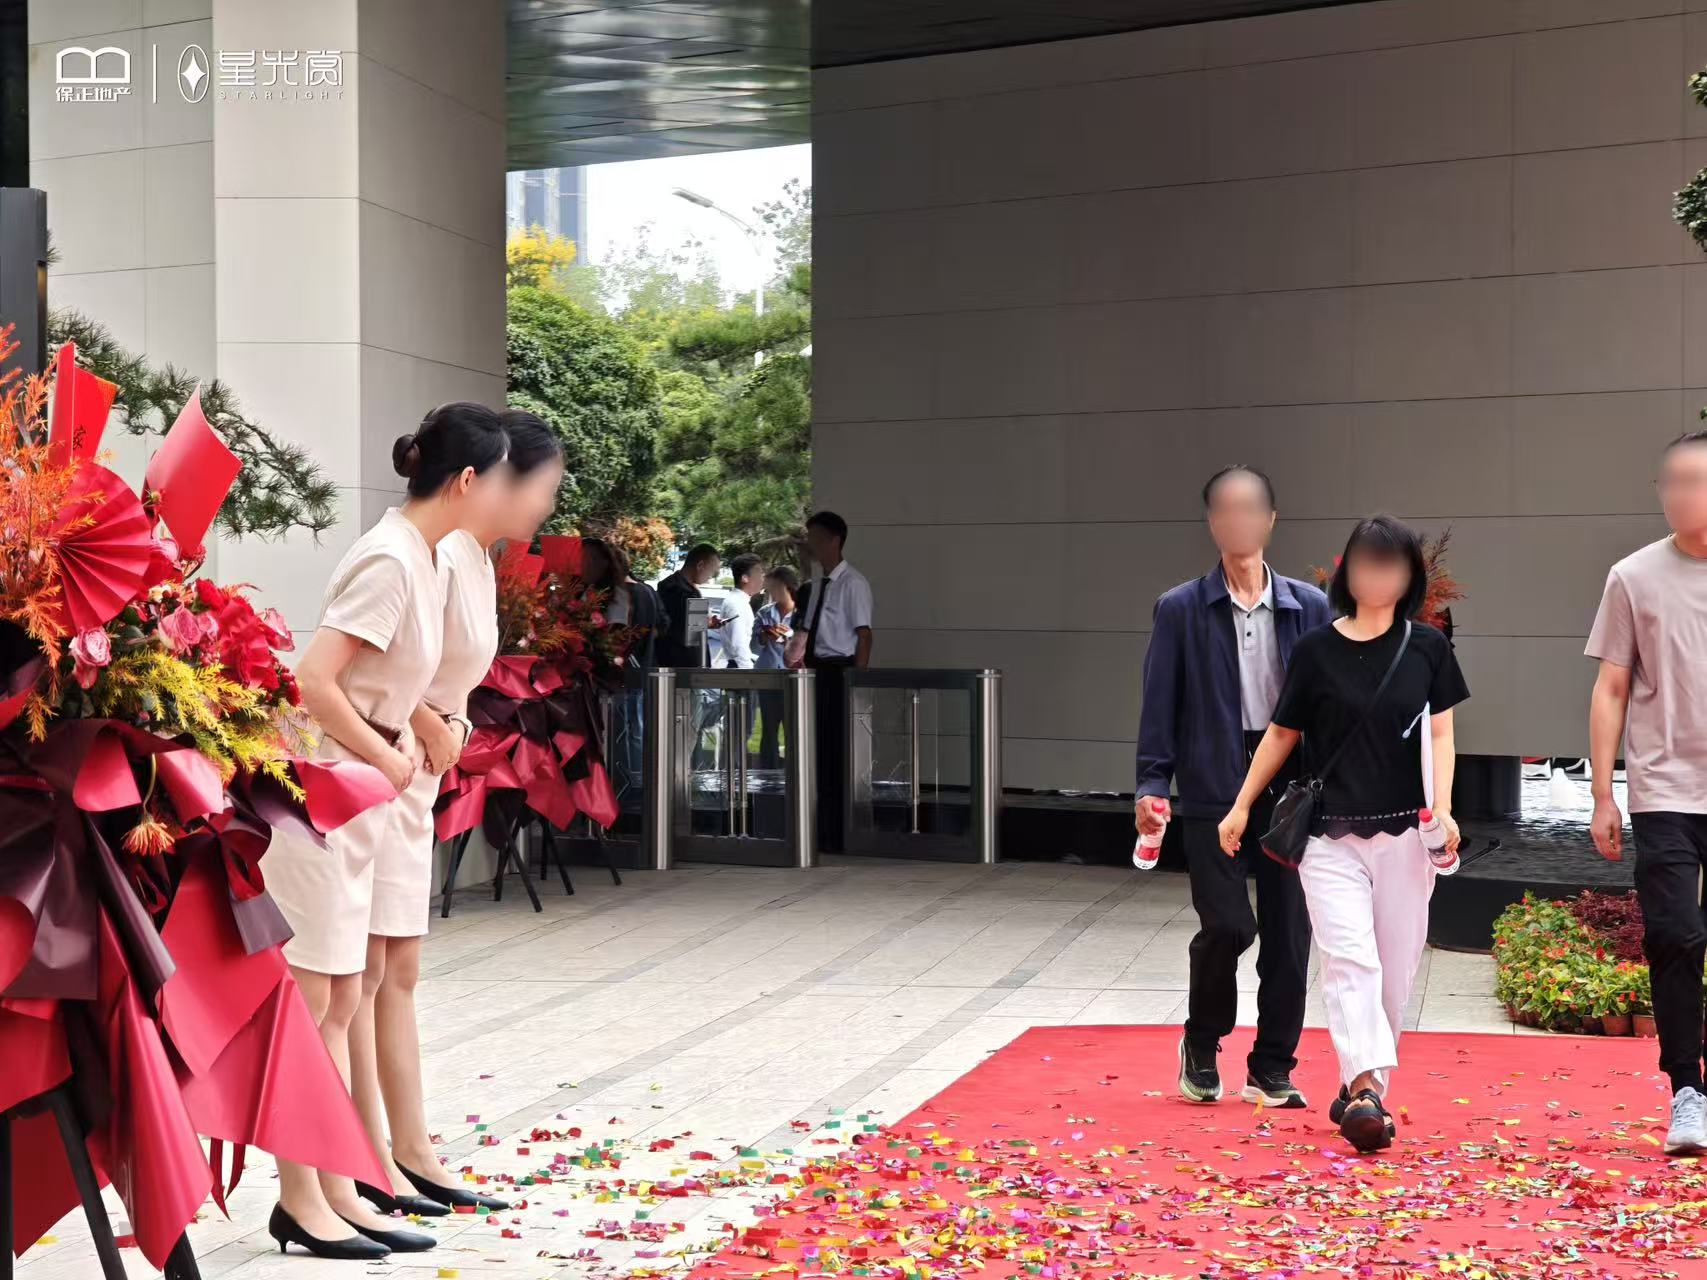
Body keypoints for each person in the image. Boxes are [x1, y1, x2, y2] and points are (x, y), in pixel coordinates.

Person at [262, 402, 509, 1257]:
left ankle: (336, 1189)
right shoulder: (391, 557)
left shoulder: (425, 556)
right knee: (316, 1002)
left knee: (336, 999)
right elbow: (313, 680)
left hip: (358, 792)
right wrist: (384, 752)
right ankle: (304, 1198)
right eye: (501, 478)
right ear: (467, 480)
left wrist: (398, 744)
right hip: (324, 791)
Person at [346, 408, 564, 1224]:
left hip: (415, 772)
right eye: (543, 486)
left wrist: (450, 725)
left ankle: (409, 1149)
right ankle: (367, 1156)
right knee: (363, 974)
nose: (547, 504)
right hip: (385, 763)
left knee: (394, 971)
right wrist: (433, 724)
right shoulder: (425, 550)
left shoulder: (469, 554)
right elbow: (386, 665)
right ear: (493, 479)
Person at [1218, 515, 1468, 1154]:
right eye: (1366, 562)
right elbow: (1282, 733)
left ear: (1409, 576)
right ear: (1348, 572)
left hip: (1406, 837)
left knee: (1395, 971)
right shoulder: (1315, 650)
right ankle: (1363, 1093)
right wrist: (1242, 806)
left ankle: (1366, 1087)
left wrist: (1443, 809)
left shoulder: (1428, 647)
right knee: (1349, 960)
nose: (1377, 575)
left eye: (1391, 564)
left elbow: (1442, 733)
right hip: (1329, 838)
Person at [1136, 465, 1330, 1109]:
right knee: (1228, 925)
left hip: (1289, 787)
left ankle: (1272, 1065)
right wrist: (1151, 784)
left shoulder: (1310, 606)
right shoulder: (1180, 609)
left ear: (1270, 520)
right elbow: (1159, 703)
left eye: (1251, 509)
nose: (1239, 520)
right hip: (1212, 781)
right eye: (1226, 509)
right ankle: (1202, 1039)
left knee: (1289, 934)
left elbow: (1327, 704)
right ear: (1212, 522)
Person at [1586, 429, 1707, 1156]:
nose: (1678, 495)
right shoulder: (1632, 575)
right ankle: (1686, 1090)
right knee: (1675, 934)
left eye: (1693, 481)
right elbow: (1610, 687)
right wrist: (1602, 793)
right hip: (1664, 789)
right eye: (1669, 482)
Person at [786, 512, 873, 852]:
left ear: (834, 540)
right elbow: (806, 632)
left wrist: (856, 684)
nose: (810, 545)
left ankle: (838, 833)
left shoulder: (853, 583)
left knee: (837, 753)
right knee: (818, 752)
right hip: (816, 671)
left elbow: (864, 636)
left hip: (840, 671)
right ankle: (820, 829)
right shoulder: (817, 586)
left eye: (815, 538)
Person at [579, 536, 666, 807]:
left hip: (618, 679)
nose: (582, 565)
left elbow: (617, 639)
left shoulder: (618, 595)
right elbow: (661, 627)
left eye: (589, 559)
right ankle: (627, 790)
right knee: (631, 732)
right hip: (627, 676)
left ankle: (627, 794)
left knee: (626, 734)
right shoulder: (642, 591)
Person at [755, 566, 799, 767]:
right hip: (769, 674)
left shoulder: (801, 613)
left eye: (774, 586)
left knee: (793, 727)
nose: (770, 591)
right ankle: (768, 771)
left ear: (786, 585)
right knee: (769, 728)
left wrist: (788, 637)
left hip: (794, 676)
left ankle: (794, 770)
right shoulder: (765, 612)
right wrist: (764, 637)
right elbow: (753, 645)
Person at [656, 543, 722, 668]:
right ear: (700, 565)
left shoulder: (665, 585)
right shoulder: (690, 595)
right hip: (686, 667)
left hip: (666, 662)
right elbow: (696, 638)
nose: (711, 577)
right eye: (712, 571)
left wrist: (706, 623)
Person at [709, 553, 763, 670]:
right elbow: (739, 645)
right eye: (758, 574)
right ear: (745, 578)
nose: (761, 579)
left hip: (737, 665)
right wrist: (749, 674)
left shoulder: (737, 600)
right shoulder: (737, 604)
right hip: (739, 668)